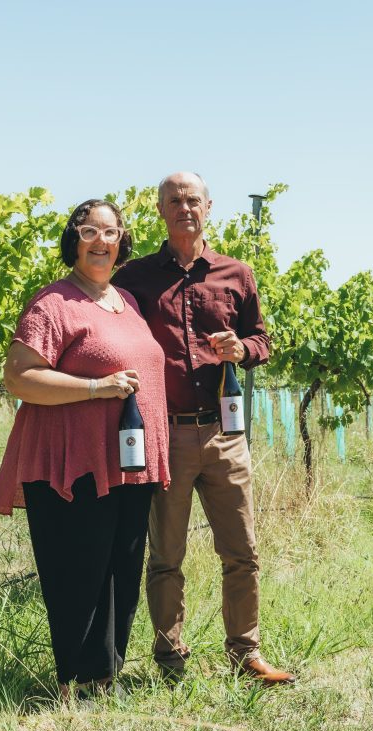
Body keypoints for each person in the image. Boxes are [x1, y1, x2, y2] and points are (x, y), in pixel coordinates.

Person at [111, 172, 295, 685]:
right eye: (174, 200)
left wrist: (244, 349)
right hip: (163, 434)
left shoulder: (237, 273)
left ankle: (246, 652)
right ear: (160, 210)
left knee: (242, 551)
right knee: (166, 556)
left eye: (193, 199)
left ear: (208, 207)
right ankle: (170, 659)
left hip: (224, 433)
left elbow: (261, 340)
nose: (184, 207)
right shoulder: (134, 280)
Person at [0, 199, 170, 701]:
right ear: (74, 239)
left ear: (121, 243)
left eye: (111, 233)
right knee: (79, 570)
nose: (101, 241)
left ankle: (105, 677)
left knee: (121, 570)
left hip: (128, 463)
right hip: (72, 462)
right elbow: (19, 376)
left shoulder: (126, 303)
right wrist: (96, 389)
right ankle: (76, 682)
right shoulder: (54, 303)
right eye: (90, 231)